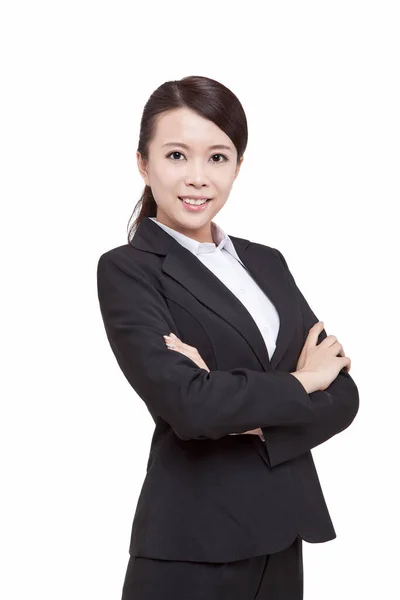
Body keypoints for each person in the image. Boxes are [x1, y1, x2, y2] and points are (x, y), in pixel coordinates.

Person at [96, 75, 359, 599]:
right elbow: (190, 408)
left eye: (218, 157)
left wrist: (238, 404)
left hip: (282, 537)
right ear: (143, 164)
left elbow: (345, 395)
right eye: (176, 155)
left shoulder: (267, 262)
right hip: (192, 546)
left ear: (238, 165)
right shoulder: (129, 270)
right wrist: (302, 380)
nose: (197, 177)